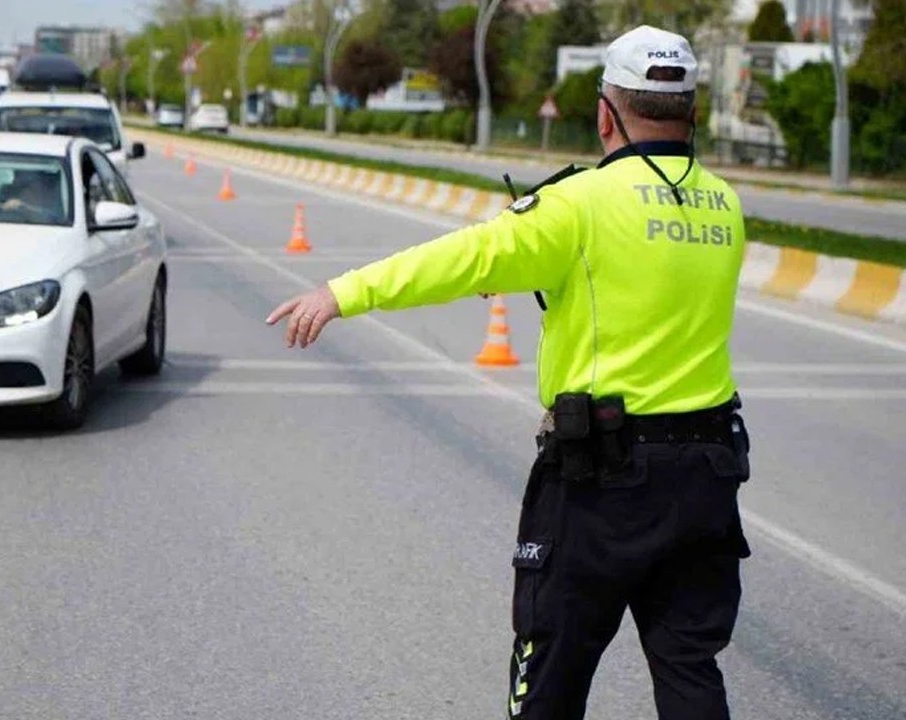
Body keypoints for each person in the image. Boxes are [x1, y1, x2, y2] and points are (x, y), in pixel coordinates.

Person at [266, 26, 751, 720]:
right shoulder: (724, 206)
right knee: (690, 673)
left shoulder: (581, 203)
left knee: (550, 674)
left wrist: (342, 293)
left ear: (605, 112)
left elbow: (468, 258)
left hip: (603, 485)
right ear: (691, 112)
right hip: (706, 478)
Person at [0, 170, 65, 224]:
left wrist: (22, 206)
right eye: (23, 187)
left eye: (29, 187)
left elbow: (54, 219)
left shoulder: (55, 212)